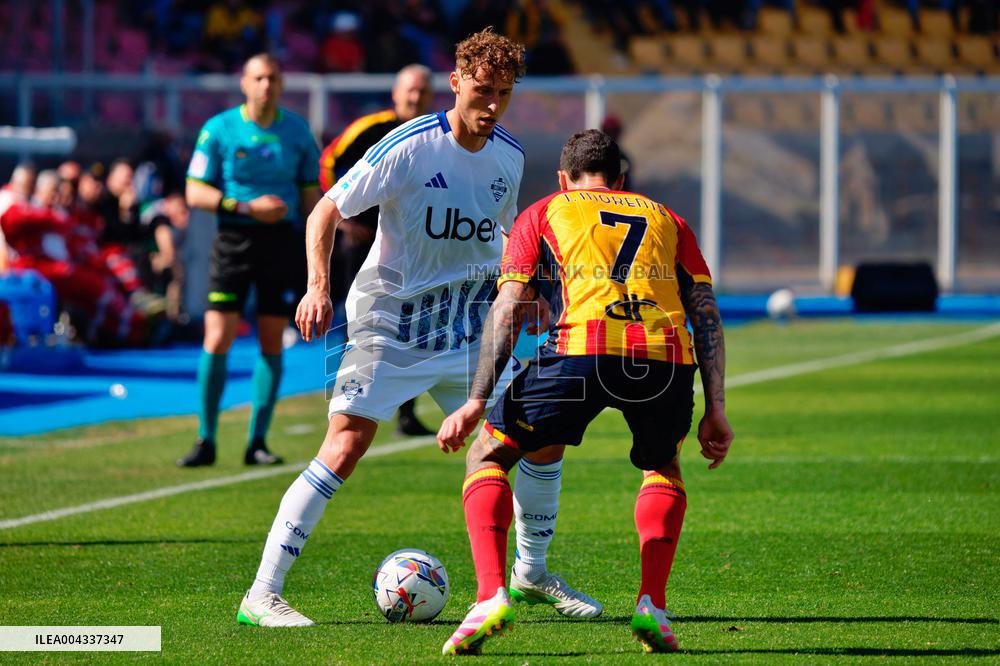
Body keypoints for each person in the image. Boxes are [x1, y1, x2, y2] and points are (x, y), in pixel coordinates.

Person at [237, 28, 598, 628]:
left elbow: (503, 236)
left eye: (503, 94)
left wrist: (528, 286)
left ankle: (530, 575)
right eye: (482, 90)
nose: (491, 105)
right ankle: (262, 593)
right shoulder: (407, 146)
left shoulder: (509, 154)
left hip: (467, 331)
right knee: (345, 446)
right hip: (391, 327)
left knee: (538, 434)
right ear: (455, 82)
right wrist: (319, 286)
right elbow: (326, 209)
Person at [436, 129, 734, 655]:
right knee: (662, 466)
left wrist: (477, 399)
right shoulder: (669, 218)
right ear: (621, 179)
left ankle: (488, 597)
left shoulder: (546, 210)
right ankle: (652, 606)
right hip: (665, 357)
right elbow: (704, 311)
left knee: (488, 451)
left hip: (583, 347)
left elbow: (507, 308)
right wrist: (717, 408)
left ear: (563, 178)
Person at [177, 53, 321, 467]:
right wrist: (246, 207)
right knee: (217, 336)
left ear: (281, 83)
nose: (265, 85)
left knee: (271, 339)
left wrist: (316, 250)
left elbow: (312, 199)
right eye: (258, 78)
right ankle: (205, 439)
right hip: (234, 241)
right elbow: (194, 193)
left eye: (273, 78)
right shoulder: (219, 130)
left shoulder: (297, 132)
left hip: (281, 243)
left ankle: (257, 441)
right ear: (244, 82)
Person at [318, 63, 437, 437]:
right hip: (363, 239)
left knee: (411, 323)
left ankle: (406, 410)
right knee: (357, 317)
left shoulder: (437, 135)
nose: (415, 97)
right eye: (409, 90)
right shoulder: (371, 129)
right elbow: (329, 164)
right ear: (396, 94)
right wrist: (344, 219)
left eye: (421, 91)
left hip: (412, 247)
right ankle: (344, 396)